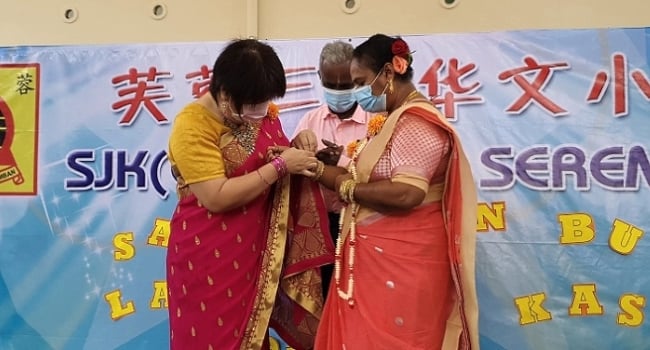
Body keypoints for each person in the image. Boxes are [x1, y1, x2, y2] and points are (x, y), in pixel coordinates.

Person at [307, 34, 480, 349]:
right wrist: (319, 169)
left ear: (388, 72)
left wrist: (348, 187)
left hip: (404, 261)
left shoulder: (416, 123)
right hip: (377, 258)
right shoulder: (394, 119)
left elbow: (407, 193)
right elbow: (372, 174)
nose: (358, 92)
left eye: (360, 82)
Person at [166, 39, 334, 350]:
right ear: (226, 94)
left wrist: (300, 144)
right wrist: (283, 165)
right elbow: (216, 196)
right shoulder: (192, 125)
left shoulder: (259, 115)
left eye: (266, 101)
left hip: (255, 253)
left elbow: (269, 157)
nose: (262, 110)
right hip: (207, 258)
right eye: (255, 103)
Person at [291, 40, 372, 299]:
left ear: (358, 79)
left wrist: (341, 162)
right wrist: (306, 160)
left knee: (360, 300)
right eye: (331, 85)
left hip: (362, 226)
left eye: (345, 86)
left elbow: (381, 176)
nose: (338, 92)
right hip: (320, 229)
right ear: (319, 77)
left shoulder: (376, 121)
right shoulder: (309, 122)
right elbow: (292, 177)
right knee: (324, 303)